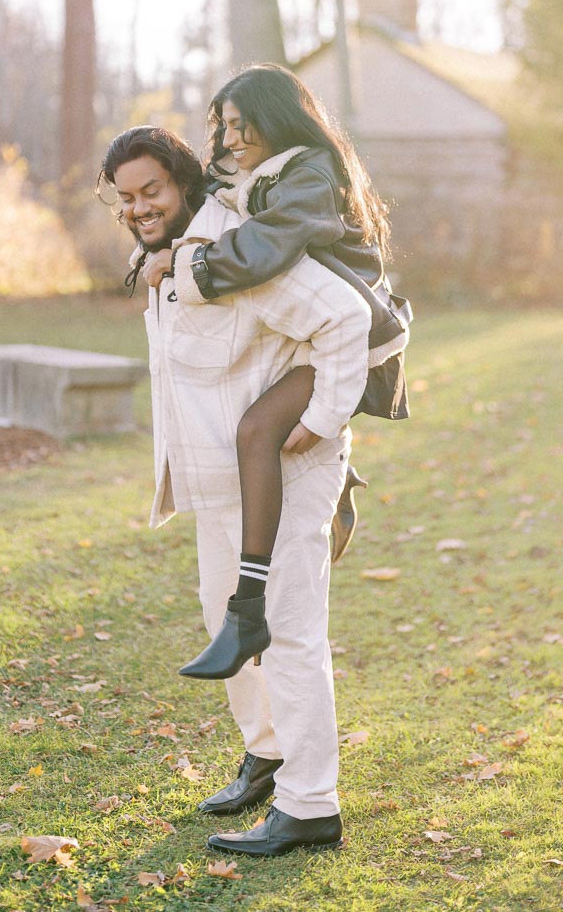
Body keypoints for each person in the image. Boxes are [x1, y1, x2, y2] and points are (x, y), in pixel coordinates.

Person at [97, 124, 372, 856]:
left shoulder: (239, 251)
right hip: (219, 481)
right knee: (226, 616)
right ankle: (268, 755)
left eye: (152, 190)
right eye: (126, 197)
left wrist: (321, 421)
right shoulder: (168, 257)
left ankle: (309, 805)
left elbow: (346, 318)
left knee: (288, 633)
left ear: (185, 181)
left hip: (281, 476)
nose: (139, 207)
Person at [141, 65, 411, 680]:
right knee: (255, 429)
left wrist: (192, 270)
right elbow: (206, 208)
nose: (230, 139)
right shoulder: (261, 172)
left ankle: (247, 610)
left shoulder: (310, 174)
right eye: (223, 126)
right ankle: (334, 495)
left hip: (352, 344)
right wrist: (165, 244)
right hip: (313, 340)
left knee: (257, 431)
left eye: (242, 125)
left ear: (277, 117)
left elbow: (264, 246)